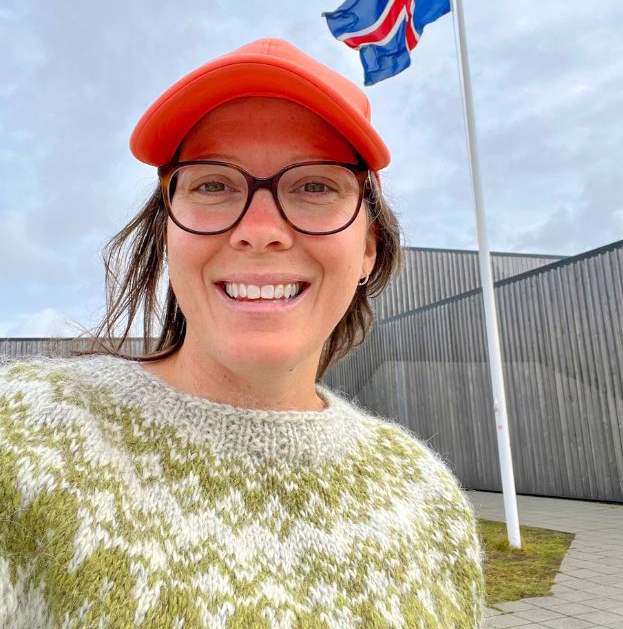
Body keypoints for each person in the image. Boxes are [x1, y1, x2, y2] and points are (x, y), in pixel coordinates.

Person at [0, 38, 485, 626]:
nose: (260, 230)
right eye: (212, 184)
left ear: (367, 248)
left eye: (314, 185)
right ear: (167, 233)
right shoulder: (23, 435)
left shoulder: (427, 498)